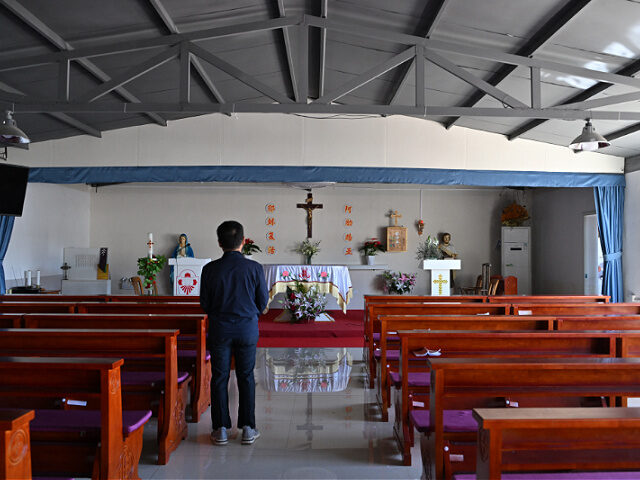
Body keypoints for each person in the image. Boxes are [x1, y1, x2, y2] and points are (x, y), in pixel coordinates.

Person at [200, 221, 269, 446]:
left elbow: (205, 304)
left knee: (220, 377)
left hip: (220, 328)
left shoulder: (209, 269)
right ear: (243, 241)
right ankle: (248, 428)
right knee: (246, 376)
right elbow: (262, 302)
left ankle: (220, 429)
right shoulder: (255, 268)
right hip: (247, 328)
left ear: (219, 242)